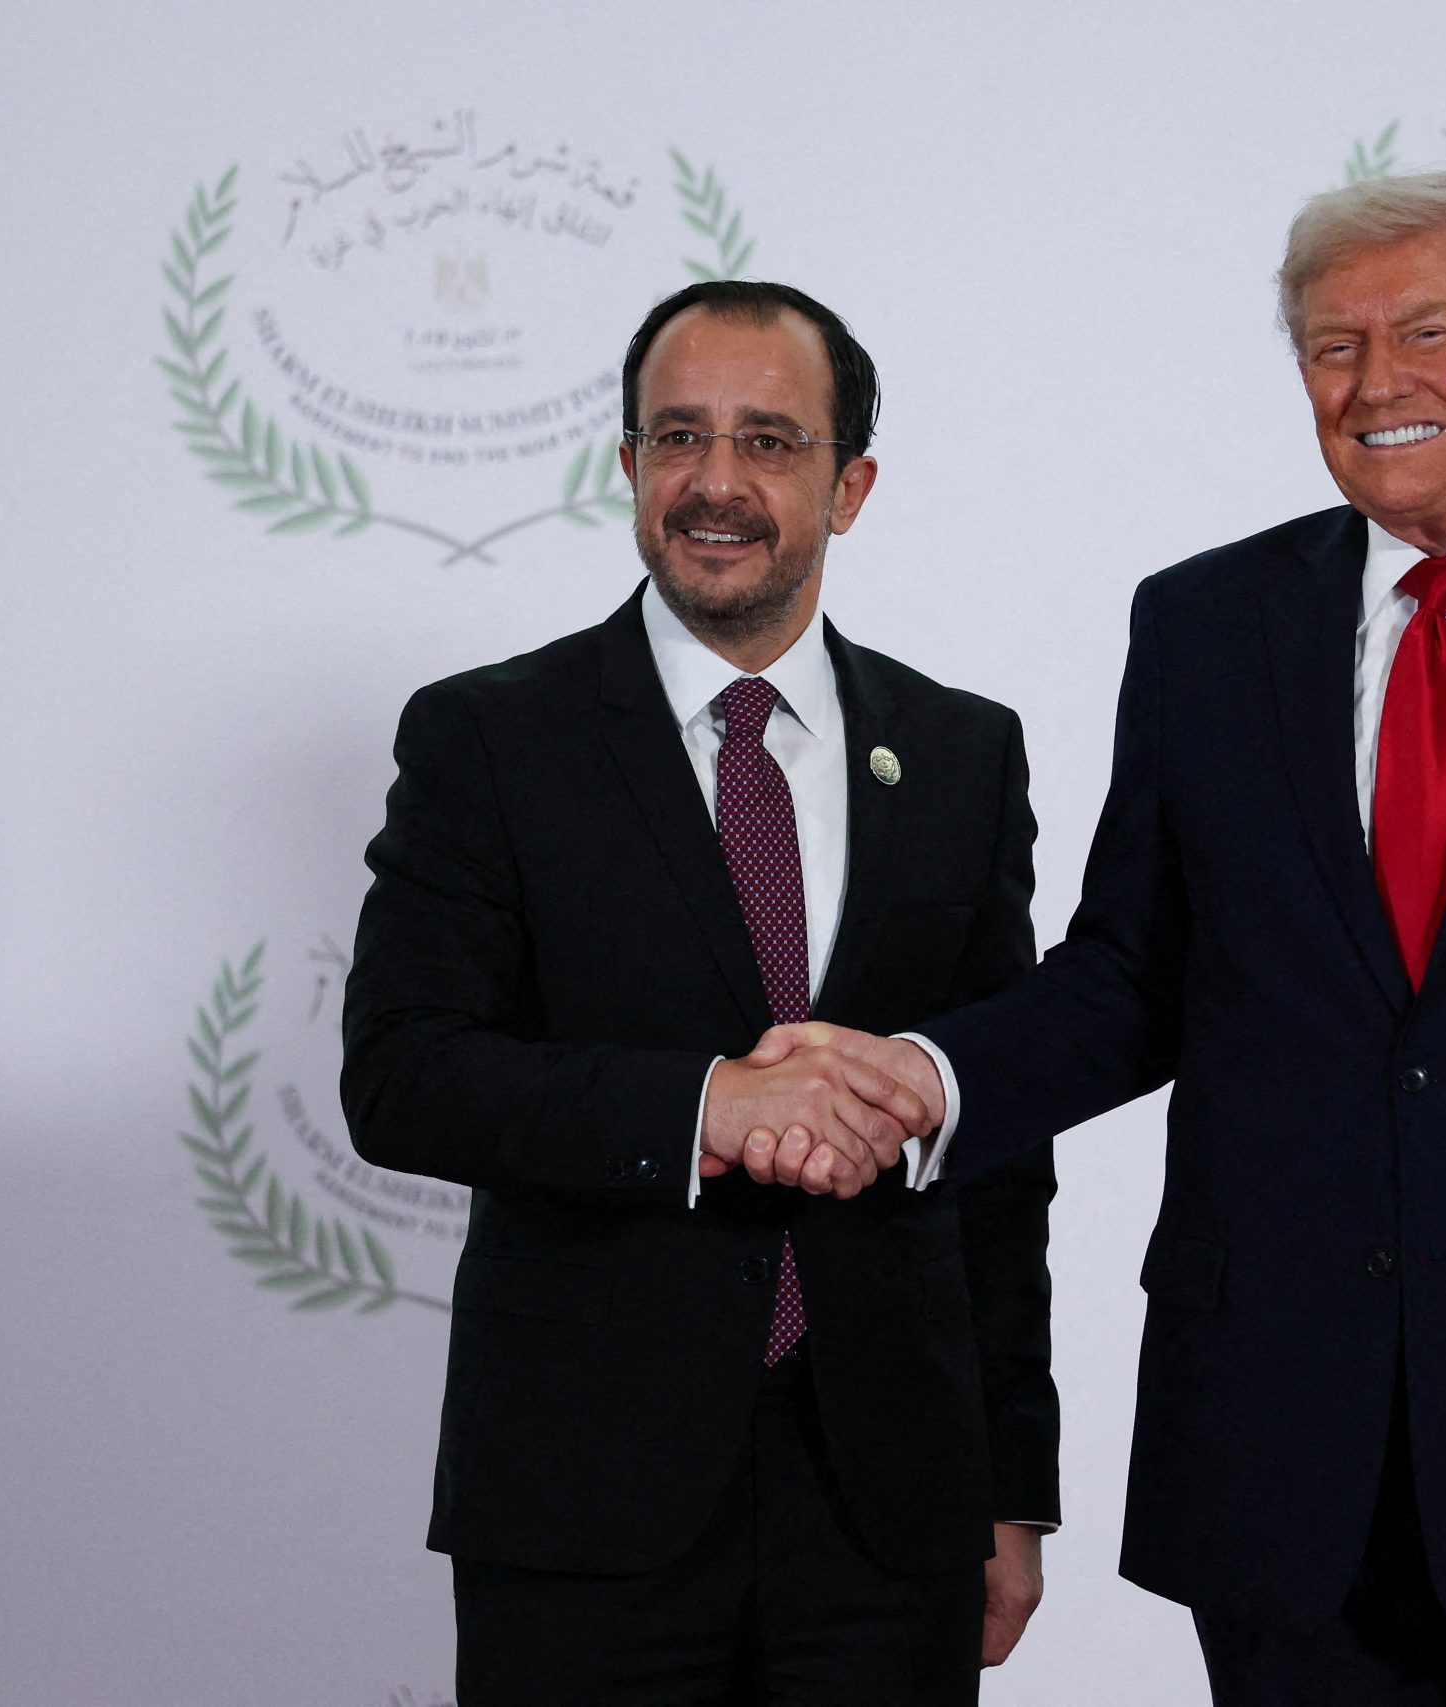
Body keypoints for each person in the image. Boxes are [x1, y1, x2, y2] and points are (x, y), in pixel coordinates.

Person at [736, 174, 1446, 1703]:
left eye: (1428, 333)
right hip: (1286, 1453)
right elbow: (1133, 976)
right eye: (1334, 347)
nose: (1375, 380)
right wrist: (925, 1079)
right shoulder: (1208, 627)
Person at [339, 279, 1058, 1706]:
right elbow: (404, 1076)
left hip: (892, 1504)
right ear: (628, 467)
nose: (715, 481)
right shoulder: (491, 737)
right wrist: (703, 1107)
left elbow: (999, 1142)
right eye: (678, 437)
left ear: (850, 487)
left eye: (769, 442)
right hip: (583, 1496)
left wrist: (1011, 1484)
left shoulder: (962, 755)